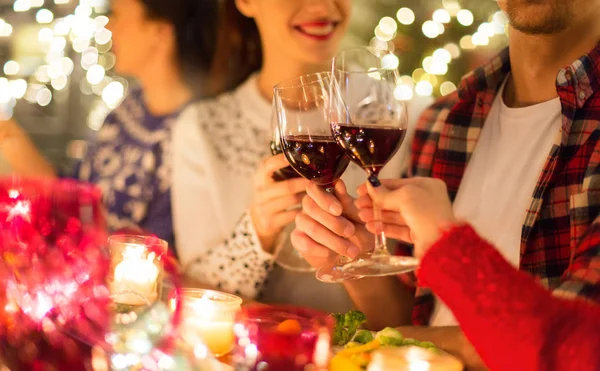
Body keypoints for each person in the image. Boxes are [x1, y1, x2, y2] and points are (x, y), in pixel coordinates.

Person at [291, 0, 600, 367]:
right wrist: (355, 258)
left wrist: (369, 343)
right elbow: (410, 317)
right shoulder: (441, 121)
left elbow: (571, 353)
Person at [172, 0, 433, 311]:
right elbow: (195, 297)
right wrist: (257, 233)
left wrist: (355, 257)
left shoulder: (404, 116)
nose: (322, 5)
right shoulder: (202, 129)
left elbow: (418, 316)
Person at [0, 0, 219, 249]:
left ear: (160, 32)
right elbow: (77, 198)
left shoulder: (193, 132)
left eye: (118, 15)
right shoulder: (128, 107)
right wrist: (12, 140)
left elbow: (158, 254)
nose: (110, 27)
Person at [357, 177, 600, 371]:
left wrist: (443, 243)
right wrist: (356, 251)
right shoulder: (436, 123)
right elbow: (401, 316)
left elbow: (563, 351)